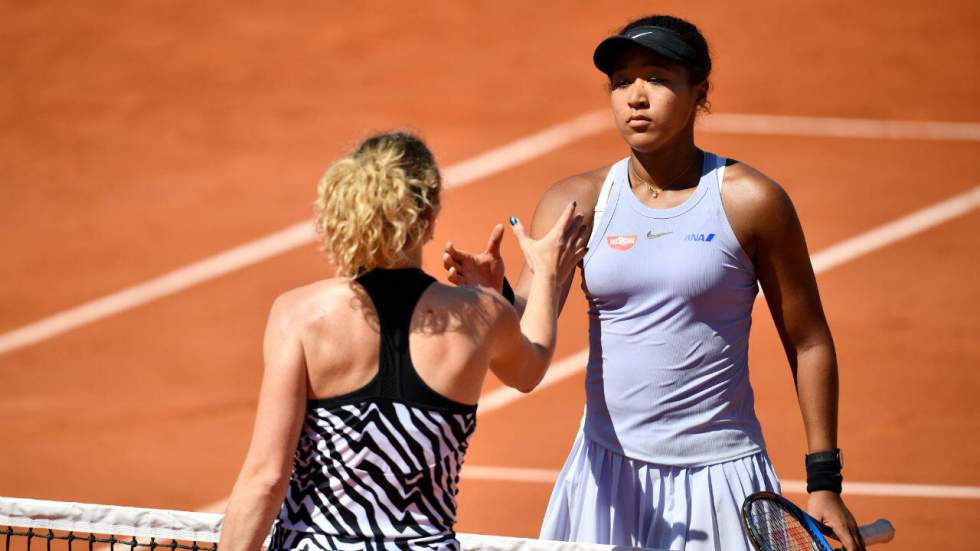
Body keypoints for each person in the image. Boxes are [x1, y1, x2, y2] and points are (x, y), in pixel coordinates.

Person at [442, 15, 866, 551]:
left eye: (658, 78)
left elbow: (808, 341)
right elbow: (524, 356)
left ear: (699, 92)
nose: (635, 97)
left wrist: (824, 483)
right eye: (622, 82)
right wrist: (494, 294)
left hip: (720, 476)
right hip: (605, 477)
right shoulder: (578, 204)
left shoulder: (752, 202)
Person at [218, 131, 587, 551]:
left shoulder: (298, 316)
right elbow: (531, 366)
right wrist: (543, 273)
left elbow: (265, 478)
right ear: (429, 217)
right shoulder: (482, 316)